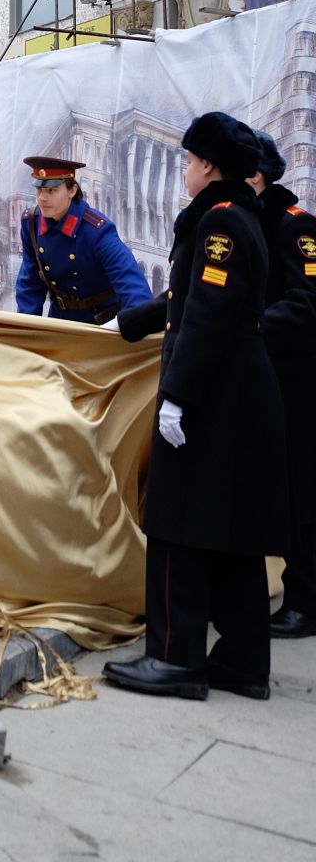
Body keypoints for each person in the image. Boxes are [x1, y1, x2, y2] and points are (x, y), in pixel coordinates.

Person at [105, 112, 288, 701]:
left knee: (176, 524)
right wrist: (130, 322)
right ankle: (241, 661)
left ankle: (174, 657)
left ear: (208, 165)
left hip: (212, 395)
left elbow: (207, 318)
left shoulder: (221, 225)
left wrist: (175, 399)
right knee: (227, 529)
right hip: (235, 395)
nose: (183, 170)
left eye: (187, 161)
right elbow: (187, 298)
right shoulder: (235, 219)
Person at [250, 129, 316, 639]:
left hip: (298, 383)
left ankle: (305, 599)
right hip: (264, 377)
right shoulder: (250, 220)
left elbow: (306, 303)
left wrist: (251, 326)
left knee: (302, 493)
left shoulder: (295, 227)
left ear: (258, 175)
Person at [15, 155, 151, 322]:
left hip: (101, 323)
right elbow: (30, 284)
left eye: (51, 190)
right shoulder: (31, 224)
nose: (42, 198)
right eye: (39, 190)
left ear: (72, 190)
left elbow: (129, 280)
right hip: (61, 321)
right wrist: (27, 330)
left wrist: (138, 324)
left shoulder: (96, 231)